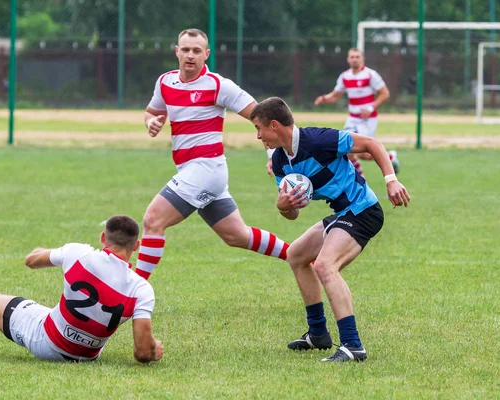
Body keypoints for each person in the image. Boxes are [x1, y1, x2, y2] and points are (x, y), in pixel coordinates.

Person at [250, 97, 410, 363]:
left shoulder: (319, 140)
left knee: (325, 265)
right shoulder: (280, 162)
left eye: (259, 128)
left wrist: (391, 180)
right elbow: (293, 214)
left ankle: (352, 345)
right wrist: (282, 206)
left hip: (363, 210)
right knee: (297, 255)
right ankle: (318, 334)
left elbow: (372, 144)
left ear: (274, 125)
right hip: (342, 213)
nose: (258, 136)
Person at [137, 28, 289, 280]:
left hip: (206, 168)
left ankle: (132, 293)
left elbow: (263, 117)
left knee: (153, 219)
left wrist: (273, 154)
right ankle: (300, 255)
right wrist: (151, 122)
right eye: (185, 49)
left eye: (197, 51)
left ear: (206, 54)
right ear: (177, 51)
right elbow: (152, 111)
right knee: (236, 236)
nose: (190, 55)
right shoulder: (165, 82)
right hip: (192, 171)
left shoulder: (219, 85)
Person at [0, 215, 163, 363]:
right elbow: (143, 352)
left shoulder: (79, 253)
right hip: (87, 356)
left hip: (47, 341)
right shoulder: (141, 289)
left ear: (103, 238)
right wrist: (154, 349)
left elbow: (31, 260)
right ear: (136, 246)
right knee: (52, 311)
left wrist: (49, 250)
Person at [314, 48, 399, 177]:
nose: (355, 59)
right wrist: (325, 98)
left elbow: (385, 94)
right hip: (352, 119)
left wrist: (370, 109)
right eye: (352, 57)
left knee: (363, 153)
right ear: (348, 59)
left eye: (357, 57)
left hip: (368, 120)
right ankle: (359, 179)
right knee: (347, 149)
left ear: (362, 59)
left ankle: (390, 157)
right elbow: (336, 95)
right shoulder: (345, 76)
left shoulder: (371, 75)